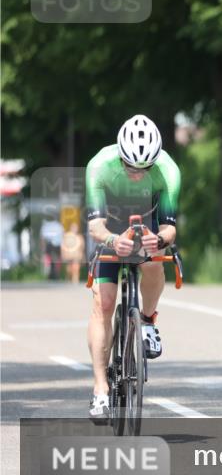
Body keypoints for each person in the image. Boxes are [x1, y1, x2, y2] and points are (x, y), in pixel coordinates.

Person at [84, 115, 180, 422]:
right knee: (104, 303)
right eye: (130, 166)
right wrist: (114, 241)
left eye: (145, 168)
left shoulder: (168, 171)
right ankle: (100, 389)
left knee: (153, 261)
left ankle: (148, 321)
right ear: (120, 156)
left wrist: (159, 239)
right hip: (110, 228)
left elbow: (169, 228)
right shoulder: (99, 166)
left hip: (146, 223)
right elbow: (95, 227)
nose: (137, 174)